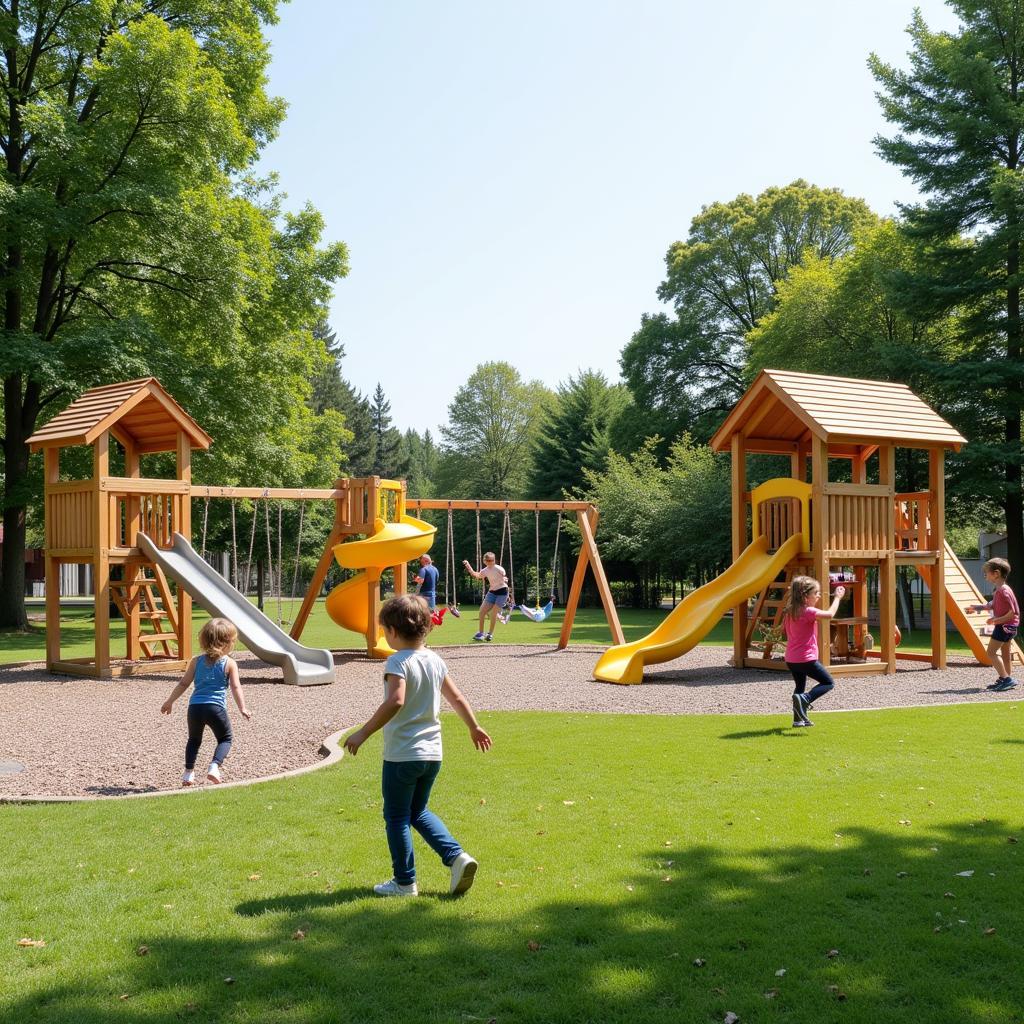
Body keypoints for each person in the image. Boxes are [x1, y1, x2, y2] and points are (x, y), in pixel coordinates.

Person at [344, 594, 492, 897]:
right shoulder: (435, 660)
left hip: (403, 754)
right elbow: (457, 698)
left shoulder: (397, 661)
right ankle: (457, 858)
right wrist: (474, 727)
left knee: (397, 816)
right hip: (433, 753)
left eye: (385, 629)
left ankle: (404, 881)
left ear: (394, 632)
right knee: (417, 811)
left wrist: (363, 733)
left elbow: (395, 700)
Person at [160, 617, 251, 786]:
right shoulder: (229, 663)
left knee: (194, 739)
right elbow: (236, 687)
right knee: (225, 739)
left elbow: (184, 683)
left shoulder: (196, 661)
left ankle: (188, 773)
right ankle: (214, 766)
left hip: (194, 708)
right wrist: (243, 707)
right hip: (216, 708)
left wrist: (170, 701)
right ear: (227, 643)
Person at [782, 576, 846, 727]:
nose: (818, 595)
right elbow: (829, 615)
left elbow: (786, 631)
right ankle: (806, 699)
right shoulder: (808, 611)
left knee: (799, 687)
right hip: (806, 659)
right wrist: (837, 597)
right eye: (816, 593)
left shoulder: (790, 612)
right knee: (828, 682)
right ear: (805, 596)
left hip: (791, 659)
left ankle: (798, 719)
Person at [967, 557, 1020, 692]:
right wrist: (977, 608)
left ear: (996, 573)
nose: (985, 576)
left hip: (1004, 627)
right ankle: (1006, 679)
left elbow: (1012, 612)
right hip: (1010, 627)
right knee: (1005, 654)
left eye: (987, 573)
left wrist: (996, 620)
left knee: (990, 652)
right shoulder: (1001, 589)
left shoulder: (1003, 590)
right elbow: (992, 605)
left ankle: (1006, 679)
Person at [462, 551, 509, 641]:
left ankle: (490, 634)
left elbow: (504, 576)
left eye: (492, 560)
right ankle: (480, 633)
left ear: (494, 560)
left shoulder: (499, 569)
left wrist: (505, 579)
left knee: (493, 613)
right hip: (492, 592)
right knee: (482, 612)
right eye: (488, 560)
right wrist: (468, 566)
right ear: (485, 561)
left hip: (502, 592)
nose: (490, 562)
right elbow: (476, 575)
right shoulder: (485, 570)